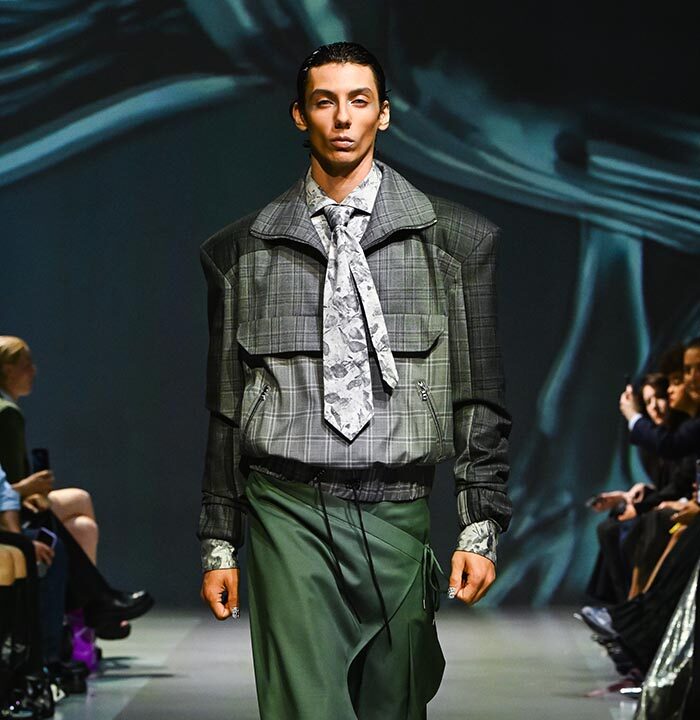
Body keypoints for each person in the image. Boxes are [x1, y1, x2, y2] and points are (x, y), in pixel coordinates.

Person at [198, 42, 512, 718]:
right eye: (325, 101)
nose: (342, 118)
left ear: (384, 114)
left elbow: (479, 397)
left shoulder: (458, 243)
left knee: (394, 706)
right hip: (287, 509)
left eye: (359, 101)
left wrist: (480, 525)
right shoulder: (239, 252)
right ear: (299, 115)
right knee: (303, 709)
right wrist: (219, 541)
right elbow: (227, 408)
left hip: (399, 507)